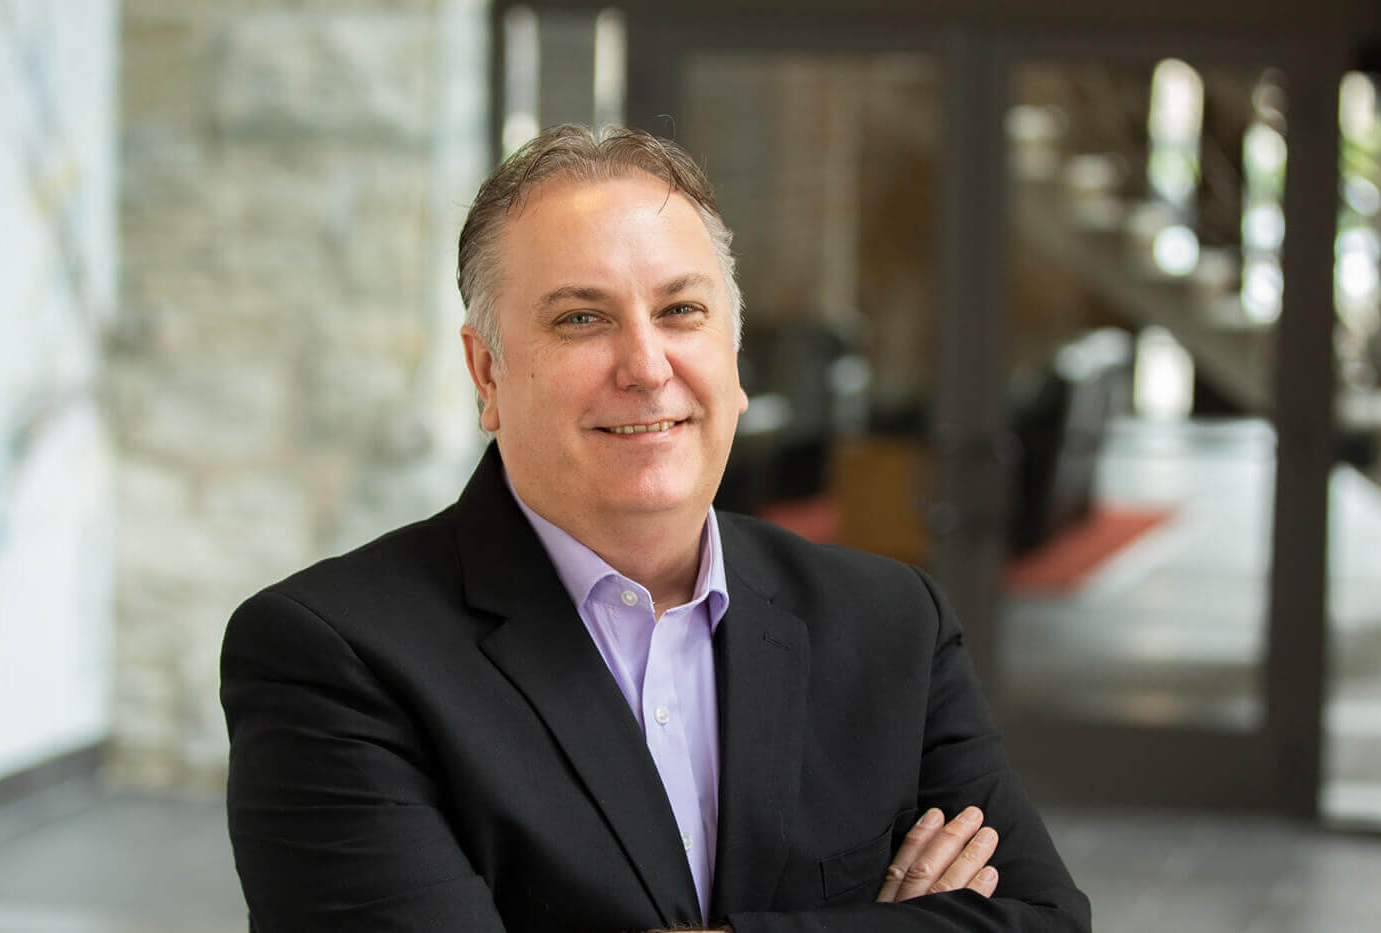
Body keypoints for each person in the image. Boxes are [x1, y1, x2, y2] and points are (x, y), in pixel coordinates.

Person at [220, 124, 1090, 932]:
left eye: (681, 311)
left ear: (734, 359)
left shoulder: (891, 623)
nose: (645, 365)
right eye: (582, 318)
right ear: (486, 374)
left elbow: (1046, 921)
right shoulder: (333, 658)